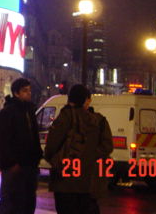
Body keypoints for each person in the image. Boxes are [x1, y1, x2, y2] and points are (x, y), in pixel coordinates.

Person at [44, 84, 113, 214]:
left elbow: (51, 148)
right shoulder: (99, 121)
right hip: (89, 183)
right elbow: (107, 146)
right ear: (85, 100)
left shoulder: (64, 117)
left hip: (64, 182)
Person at [0, 77, 43, 214]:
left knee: (28, 201)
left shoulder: (29, 112)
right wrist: (11, 163)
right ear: (16, 93)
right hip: (14, 166)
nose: (29, 93)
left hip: (29, 165)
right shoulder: (7, 113)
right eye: (25, 91)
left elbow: (33, 137)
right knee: (10, 201)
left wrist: (37, 156)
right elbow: (3, 141)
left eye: (29, 90)